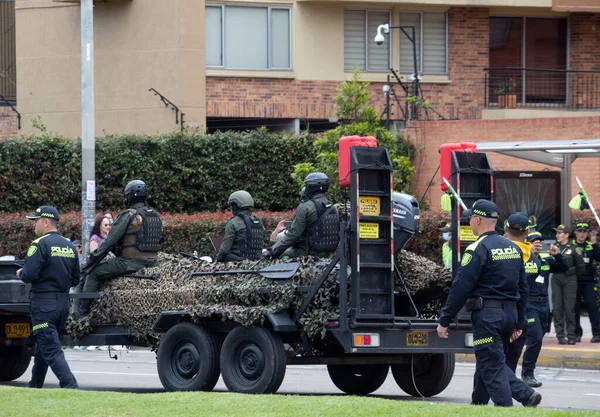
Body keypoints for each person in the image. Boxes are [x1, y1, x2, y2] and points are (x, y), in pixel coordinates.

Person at [437, 201, 540, 407]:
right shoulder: (514, 249)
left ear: (477, 220)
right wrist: (519, 323)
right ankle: (479, 405)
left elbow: (461, 288)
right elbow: (523, 289)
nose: (469, 223)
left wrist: (445, 320)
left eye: (470, 220)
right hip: (508, 316)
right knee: (486, 361)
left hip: (487, 316)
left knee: (492, 365)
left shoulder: (477, 248)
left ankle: (521, 397)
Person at [16, 206, 79, 389]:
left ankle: (71, 386)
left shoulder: (39, 244)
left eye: (35, 220)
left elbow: (29, 274)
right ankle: (35, 385)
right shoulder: (69, 246)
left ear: (46, 222)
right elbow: (76, 278)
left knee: (51, 348)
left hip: (43, 304)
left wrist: (21, 272)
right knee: (43, 345)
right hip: (62, 305)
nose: (33, 224)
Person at [78, 180, 162, 316]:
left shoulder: (129, 214)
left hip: (130, 263)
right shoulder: (155, 215)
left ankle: (82, 313)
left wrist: (91, 261)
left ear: (129, 196)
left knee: (93, 273)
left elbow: (109, 242)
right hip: (152, 261)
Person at [515, 231, 568, 387]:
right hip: (529, 303)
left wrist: (557, 254)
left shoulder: (545, 258)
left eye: (540, 241)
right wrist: (530, 254)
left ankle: (519, 372)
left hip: (544, 304)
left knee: (536, 337)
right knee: (535, 337)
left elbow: (563, 267)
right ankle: (527, 374)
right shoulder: (522, 258)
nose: (538, 244)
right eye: (534, 242)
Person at [264, 173, 338, 259]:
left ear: (311, 187)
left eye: (307, 185)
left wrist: (272, 252)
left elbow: (293, 235)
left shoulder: (306, 207)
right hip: (327, 256)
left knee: (270, 256)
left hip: (305, 254)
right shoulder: (332, 207)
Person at [551, 224, 584, 345]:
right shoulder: (553, 248)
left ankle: (571, 335)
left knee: (569, 309)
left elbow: (581, 267)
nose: (557, 235)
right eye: (557, 233)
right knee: (557, 308)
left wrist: (570, 272)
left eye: (560, 233)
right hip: (556, 279)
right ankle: (560, 335)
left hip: (570, 280)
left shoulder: (574, 249)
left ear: (566, 235)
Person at [571, 222, 600, 343]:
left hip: (589, 281)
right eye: (580, 231)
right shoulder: (570, 245)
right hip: (574, 281)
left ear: (587, 233)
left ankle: (597, 333)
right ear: (576, 233)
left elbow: (599, 258)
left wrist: (595, 244)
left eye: (585, 231)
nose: (582, 234)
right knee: (575, 307)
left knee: (592, 306)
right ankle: (577, 333)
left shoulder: (591, 245)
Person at [216, 190, 265, 262]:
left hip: (238, 264)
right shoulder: (258, 222)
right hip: (256, 263)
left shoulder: (233, 223)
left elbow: (224, 250)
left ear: (235, 207)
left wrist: (217, 261)